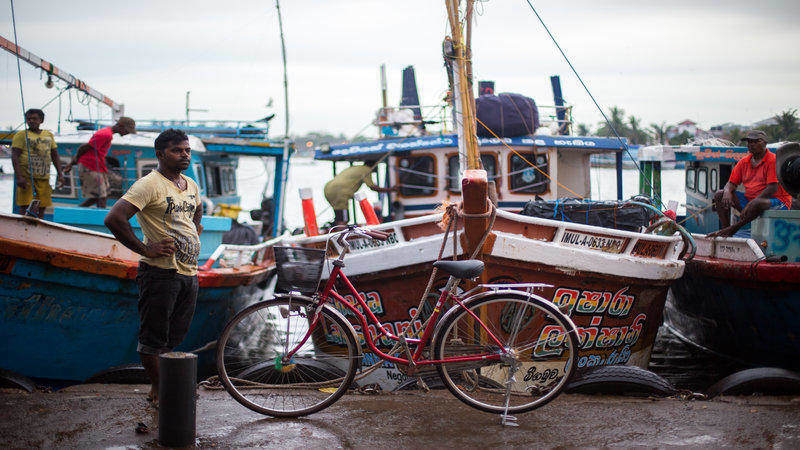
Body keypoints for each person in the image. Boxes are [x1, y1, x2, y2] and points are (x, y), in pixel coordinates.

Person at [104, 129, 202, 406]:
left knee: (174, 336)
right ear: (160, 154)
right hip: (161, 273)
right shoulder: (149, 185)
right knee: (153, 339)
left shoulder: (190, 184)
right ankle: (160, 389)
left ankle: (163, 389)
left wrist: (193, 234)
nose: (184, 155)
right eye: (177, 151)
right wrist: (145, 248)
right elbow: (114, 218)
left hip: (189, 273)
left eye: (187, 150)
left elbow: (197, 211)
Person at [709, 130, 792, 237]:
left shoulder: (772, 160)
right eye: (749, 142)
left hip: (777, 202)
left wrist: (752, 203)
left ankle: (733, 229)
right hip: (752, 201)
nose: (751, 145)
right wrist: (727, 191)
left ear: (764, 143)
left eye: (755, 141)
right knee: (719, 195)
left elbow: (772, 188)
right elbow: (731, 183)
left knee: (756, 203)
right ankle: (725, 230)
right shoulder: (744, 162)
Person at [64, 117, 136, 208]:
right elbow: (84, 148)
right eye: (127, 130)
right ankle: (101, 220)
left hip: (97, 167)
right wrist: (71, 164)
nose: (127, 133)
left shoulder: (108, 134)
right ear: (121, 126)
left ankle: (77, 211)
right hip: (89, 166)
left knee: (102, 195)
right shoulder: (106, 134)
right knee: (101, 197)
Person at [11, 108, 63, 218]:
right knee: (25, 206)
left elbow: (54, 155)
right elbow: (15, 156)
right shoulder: (21, 135)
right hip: (27, 177)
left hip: (44, 177)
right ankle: (22, 228)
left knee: (42, 206)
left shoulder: (48, 135)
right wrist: (19, 177)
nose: (31, 121)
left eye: (34, 119)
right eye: (28, 119)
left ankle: (39, 227)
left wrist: (60, 173)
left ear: (41, 120)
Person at [323, 159, 396, 225]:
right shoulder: (366, 170)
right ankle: (341, 237)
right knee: (344, 219)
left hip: (328, 189)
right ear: (374, 166)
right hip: (340, 192)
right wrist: (391, 190)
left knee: (339, 215)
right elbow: (372, 187)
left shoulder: (356, 167)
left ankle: (335, 230)